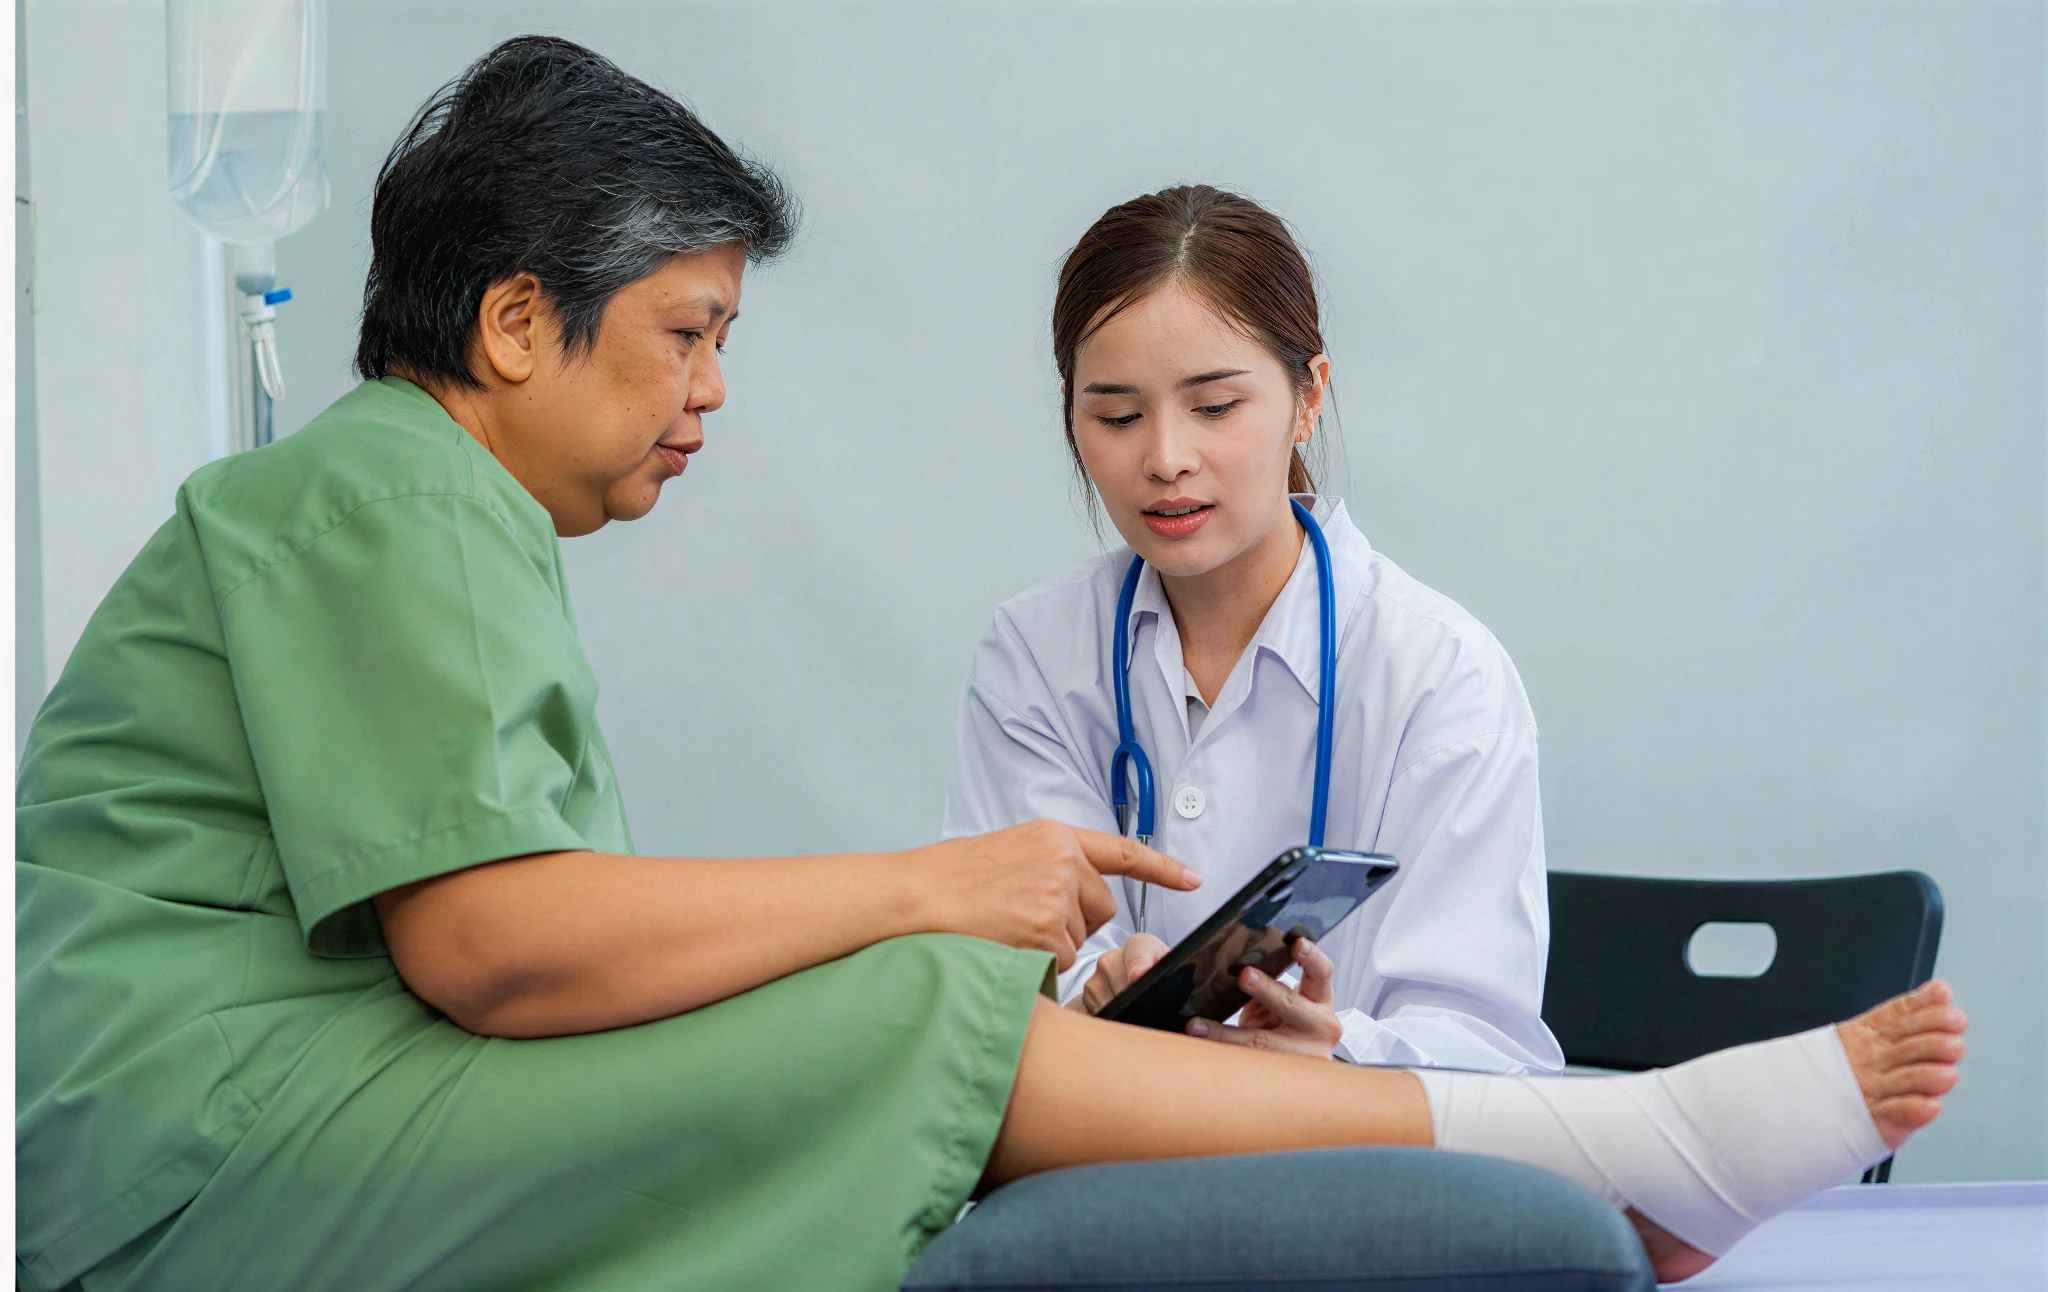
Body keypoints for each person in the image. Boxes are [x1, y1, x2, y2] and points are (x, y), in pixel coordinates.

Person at [16, 36, 1964, 1292]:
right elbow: (504, 950)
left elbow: (516, 936)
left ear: (1306, 400)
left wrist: (949, 929)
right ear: (520, 323)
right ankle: (1641, 1142)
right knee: (905, 997)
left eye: (1216, 402)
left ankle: (1615, 1142)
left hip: (264, 1099)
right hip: (211, 1143)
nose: (710, 393)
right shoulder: (394, 498)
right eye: (686, 331)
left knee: (901, 988)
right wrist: (941, 897)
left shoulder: (422, 513)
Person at [945, 186, 1559, 1070]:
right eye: (1116, 416)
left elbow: (1489, 1055)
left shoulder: (1439, 674)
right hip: (1099, 1162)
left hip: (1346, 1177)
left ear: (1308, 396)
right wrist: (1086, 995)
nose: (1164, 458)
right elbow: (991, 985)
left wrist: (1340, 1051)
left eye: (1215, 406)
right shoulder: (1037, 655)